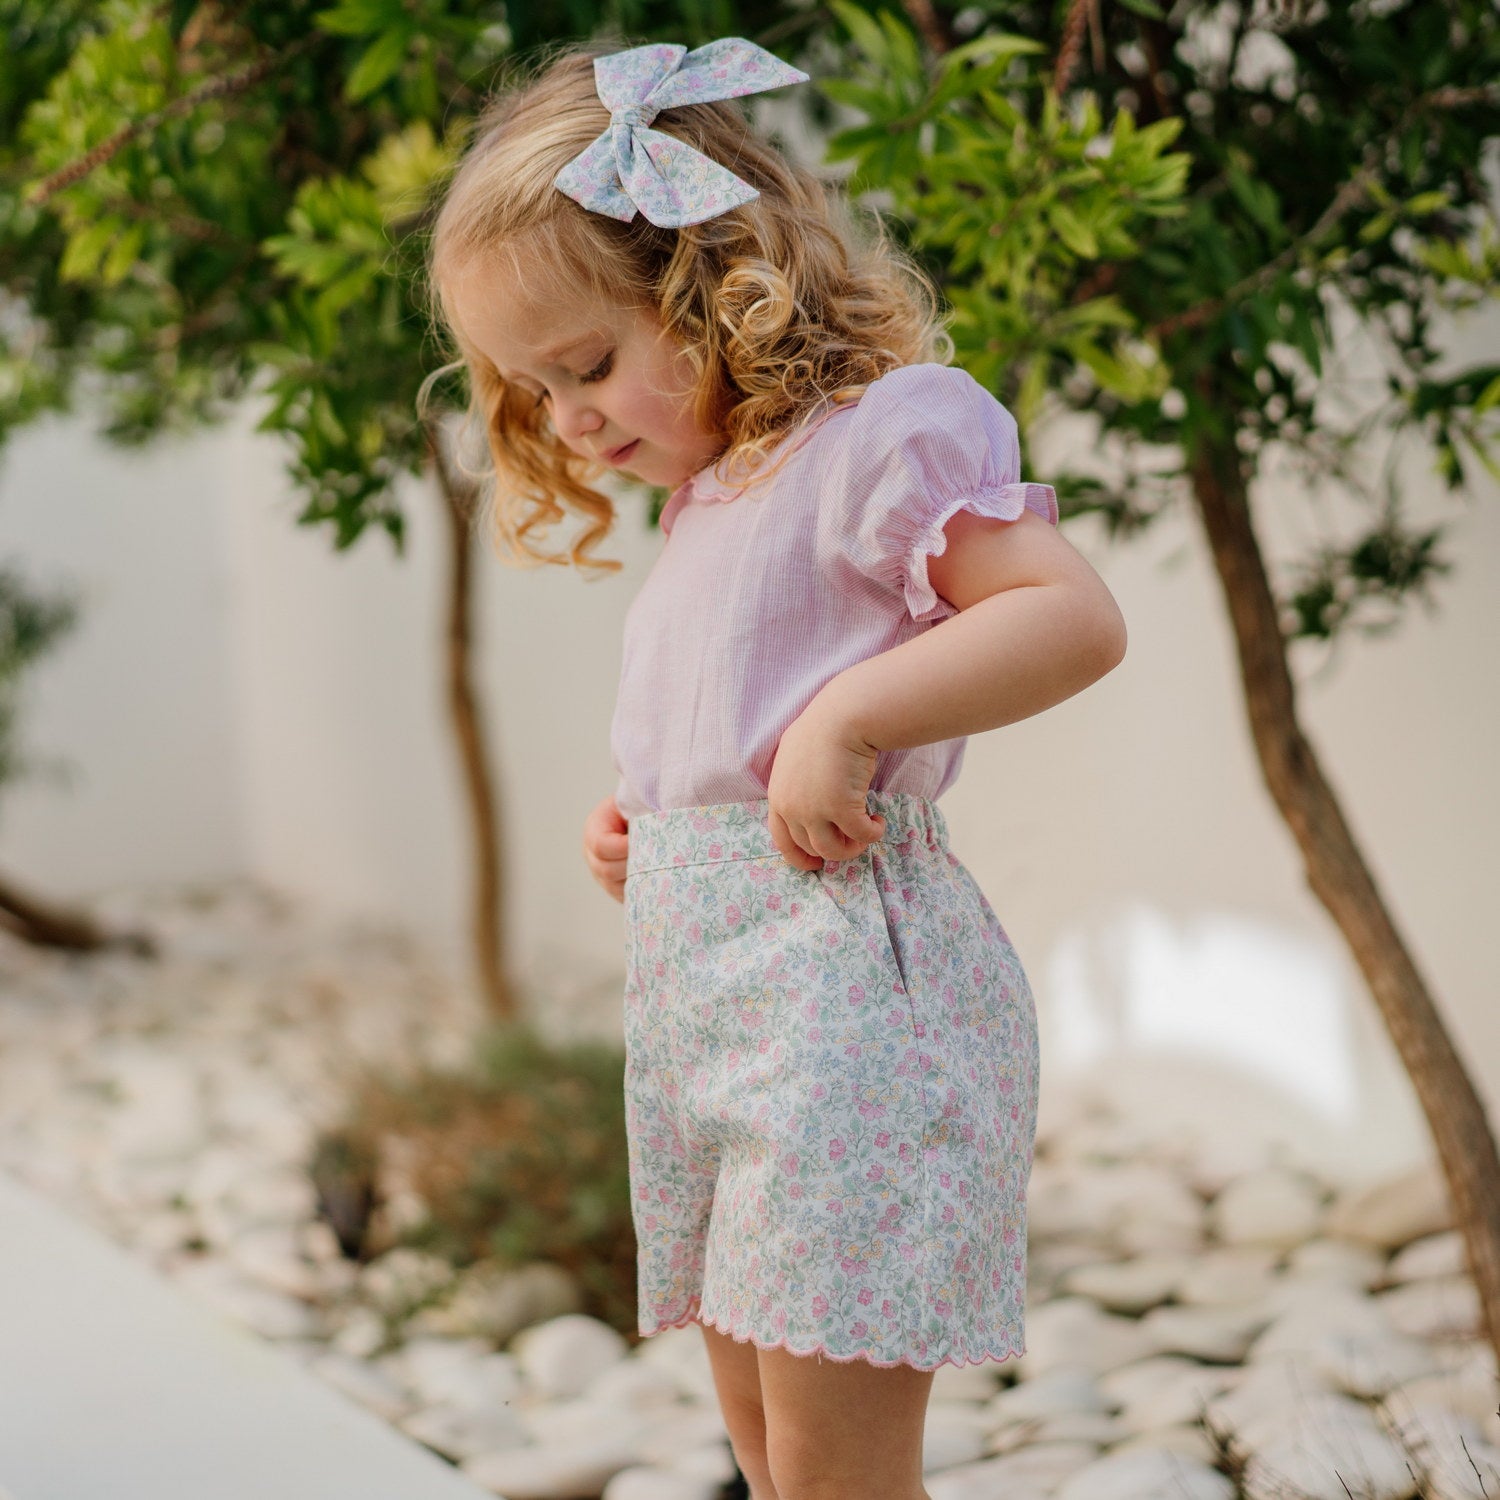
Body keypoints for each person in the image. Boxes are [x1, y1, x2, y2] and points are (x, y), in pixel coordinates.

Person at [425, 34, 1127, 1500]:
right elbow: (729, 728)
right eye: (533, 389)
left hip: (845, 1021)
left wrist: (848, 722)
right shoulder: (710, 502)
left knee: (833, 1467)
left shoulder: (879, 439)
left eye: (587, 365)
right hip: (713, 1021)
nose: (568, 419)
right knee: (765, 1448)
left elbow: (1070, 618)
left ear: (715, 281)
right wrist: (647, 818)